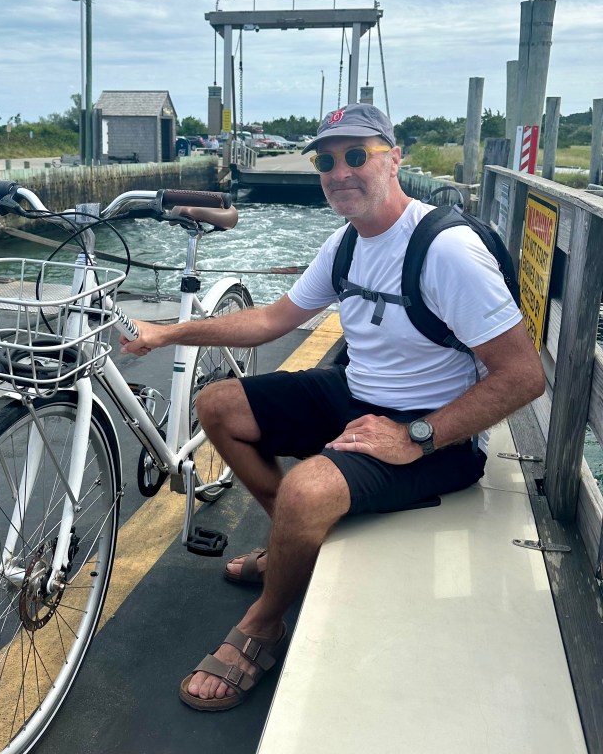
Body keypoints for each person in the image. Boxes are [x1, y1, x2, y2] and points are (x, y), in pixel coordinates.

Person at [120, 102, 545, 713]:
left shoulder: (446, 251)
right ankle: (291, 546)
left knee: (306, 490)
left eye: (356, 155)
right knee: (219, 406)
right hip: (356, 395)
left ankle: (266, 623)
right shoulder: (346, 242)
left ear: (394, 159)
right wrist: (168, 333)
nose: (339, 172)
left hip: (438, 435)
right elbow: (272, 320)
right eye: (325, 161)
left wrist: (417, 436)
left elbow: (524, 375)